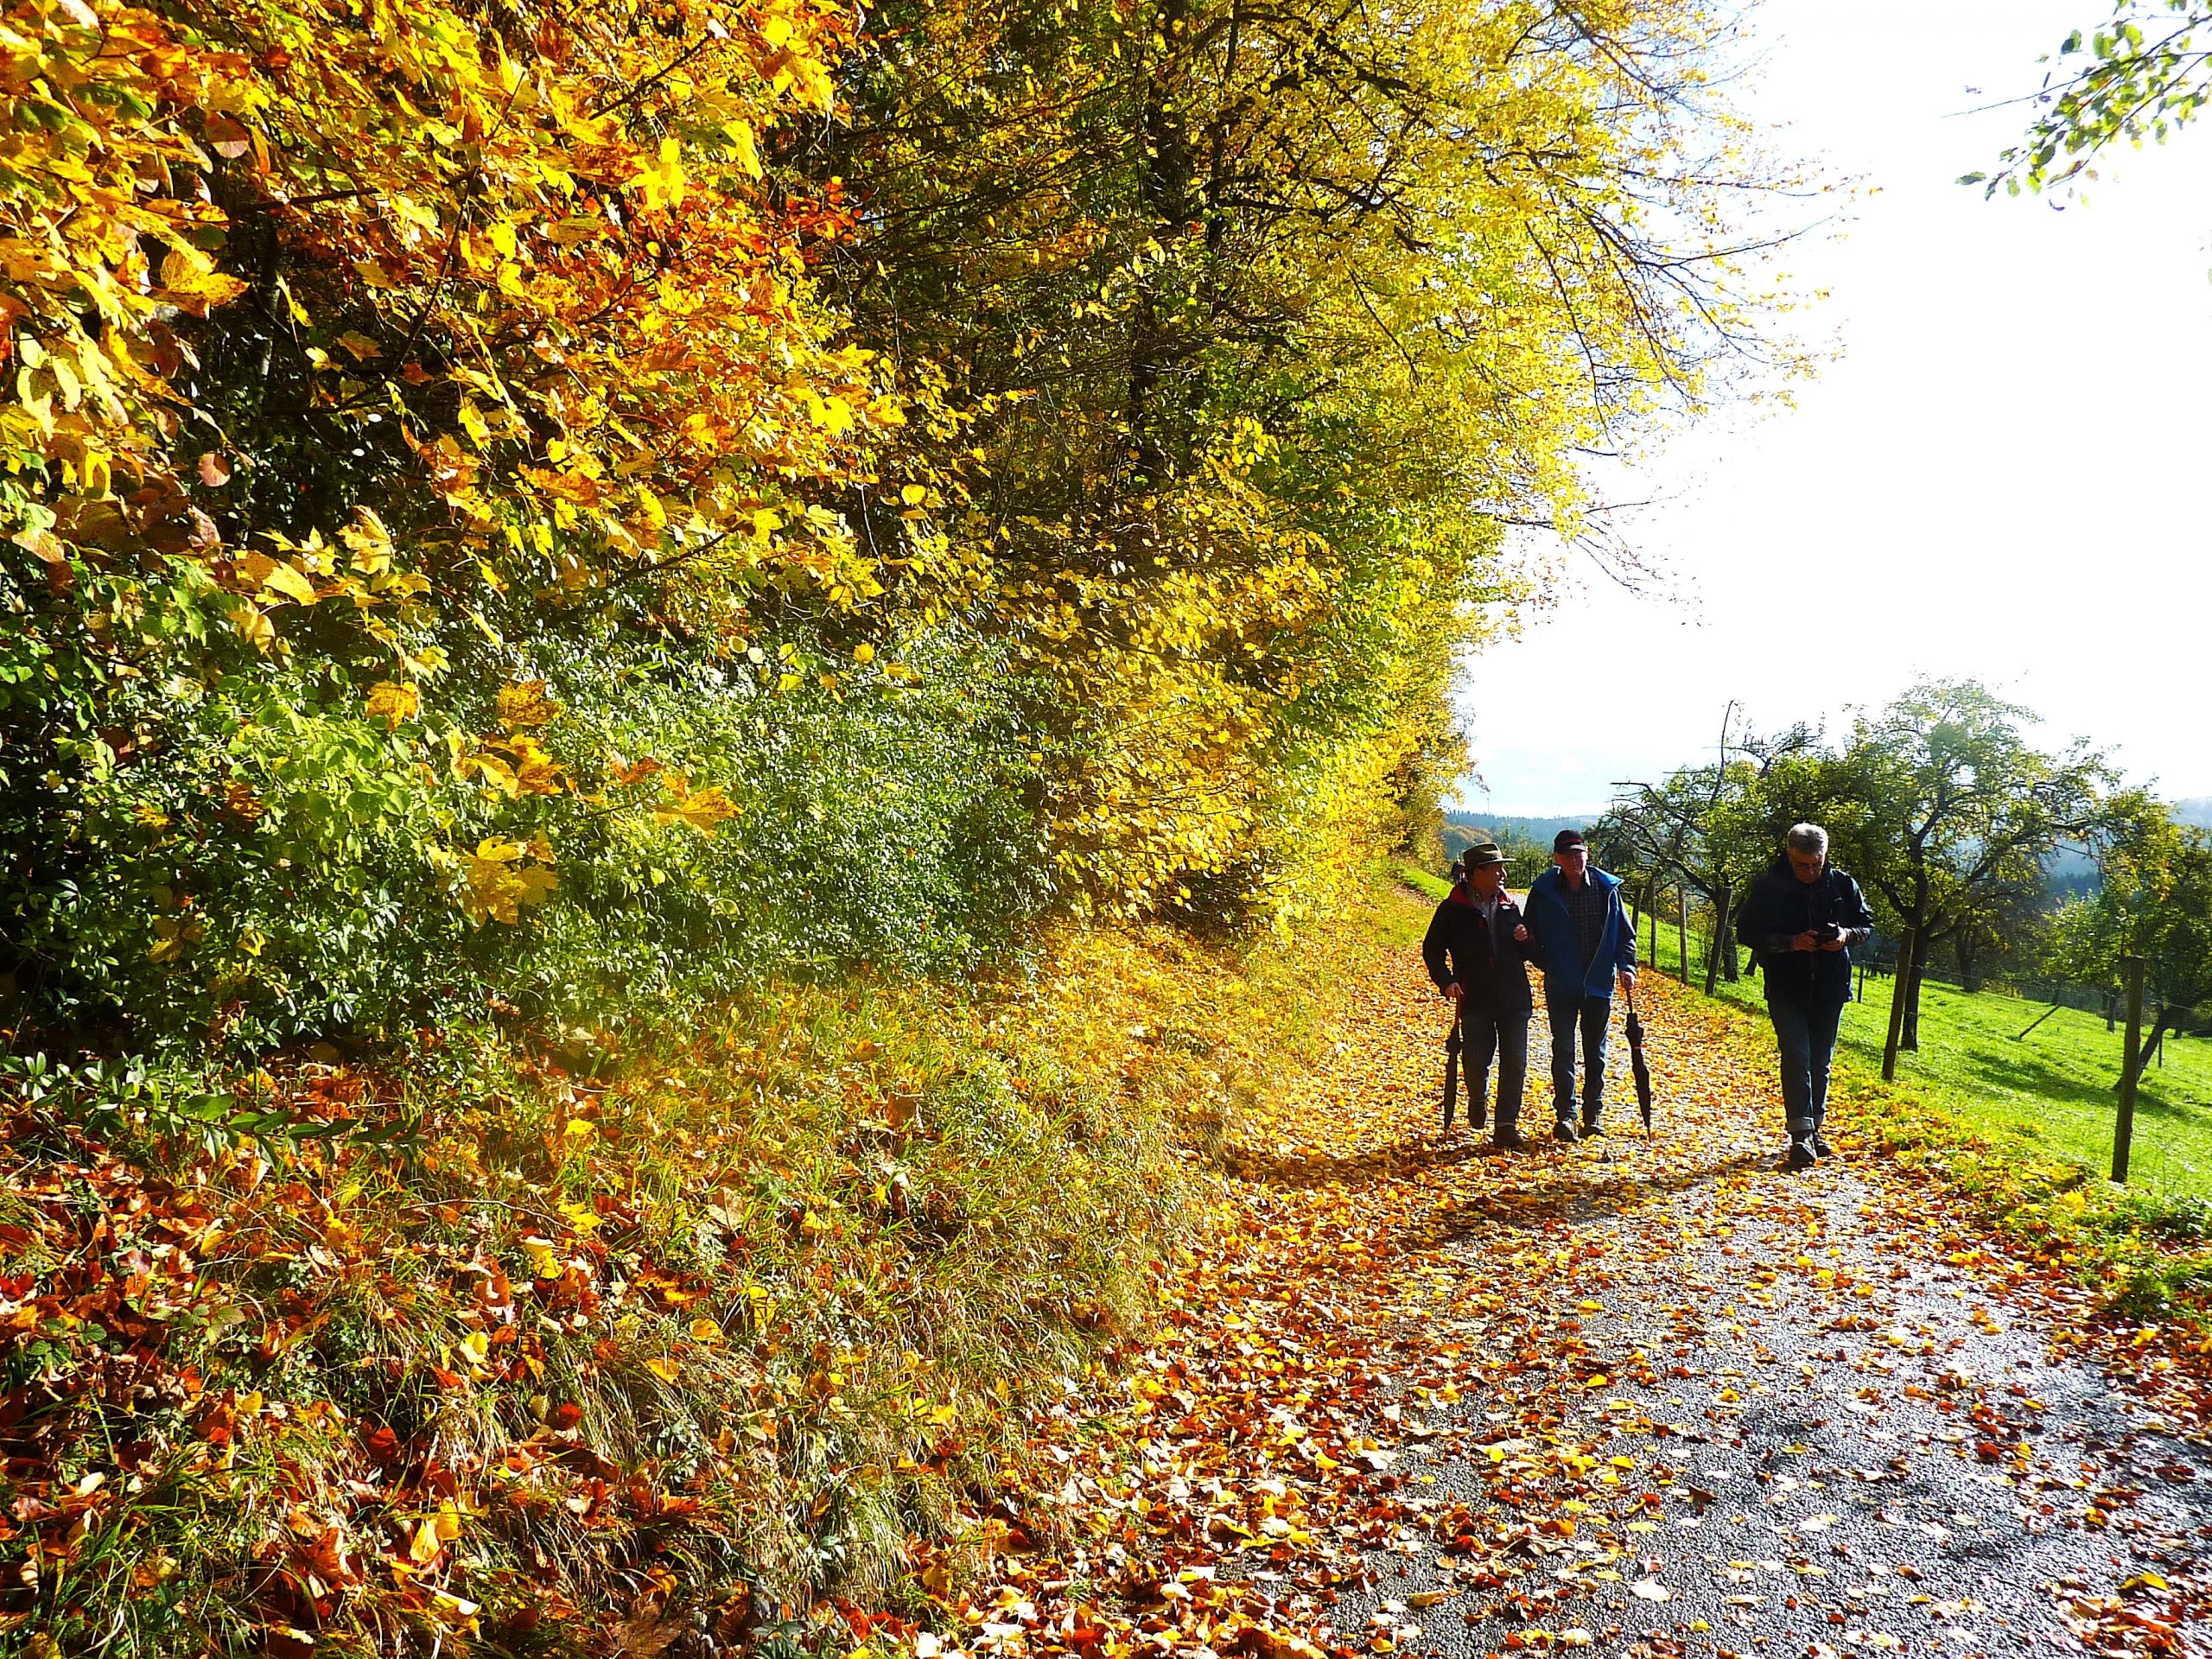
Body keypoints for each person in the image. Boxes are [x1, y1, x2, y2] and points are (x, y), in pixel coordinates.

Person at [1734, 822, 1876, 1170]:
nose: (1811, 872)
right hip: (1785, 986)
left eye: (1817, 864)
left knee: (1820, 1063)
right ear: (1789, 855)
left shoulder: (1843, 884)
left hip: (1831, 986)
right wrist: (1790, 942)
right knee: (1797, 1057)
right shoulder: (1769, 886)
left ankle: (1814, 1130)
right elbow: (1746, 931)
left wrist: (1844, 936)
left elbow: (1866, 926)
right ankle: (1800, 1135)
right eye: (1803, 865)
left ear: (1825, 856)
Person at [1421, 842, 1536, 1148]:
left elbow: (1528, 952)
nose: (1503, 874)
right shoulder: (1452, 910)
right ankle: (1478, 1097)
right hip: (1474, 998)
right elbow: (1432, 950)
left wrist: (1526, 938)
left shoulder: (1510, 906)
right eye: (1496, 869)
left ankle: (1506, 1125)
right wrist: (1446, 982)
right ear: (1476, 874)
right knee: (1475, 1061)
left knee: (1515, 1062)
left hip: (1514, 998)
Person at [1524, 830, 1637, 1141]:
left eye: (1579, 853)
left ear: (1588, 855)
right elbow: (1529, 934)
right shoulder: (1544, 892)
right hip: (1561, 985)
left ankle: (1593, 1115)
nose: (1575, 860)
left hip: (1598, 984)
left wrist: (1627, 966)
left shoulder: (1606, 890)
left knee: (1595, 1053)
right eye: (1568, 855)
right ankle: (1566, 1116)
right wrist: (1549, 963)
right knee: (1563, 1050)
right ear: (1557, 859)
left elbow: (1625, 934)